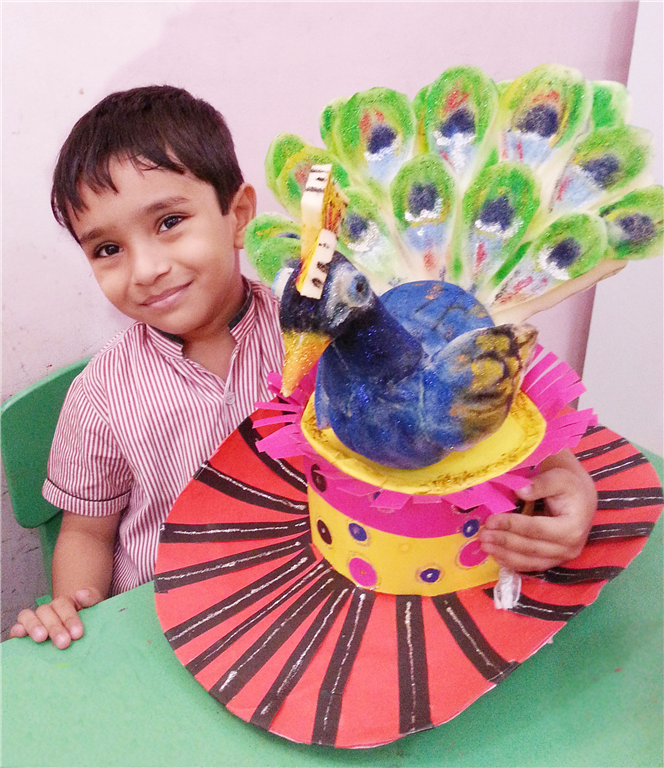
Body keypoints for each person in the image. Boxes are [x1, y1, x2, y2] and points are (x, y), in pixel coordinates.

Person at [10, 85, 597, 651]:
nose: (145, 269)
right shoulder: (101, 395)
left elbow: (474, 412)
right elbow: (86, 532)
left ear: (239, 215)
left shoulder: (327, 328)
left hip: (325, 610)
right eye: (107, 249)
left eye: (169, 223)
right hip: (162, 631)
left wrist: (565, 481)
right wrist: (77, 612)